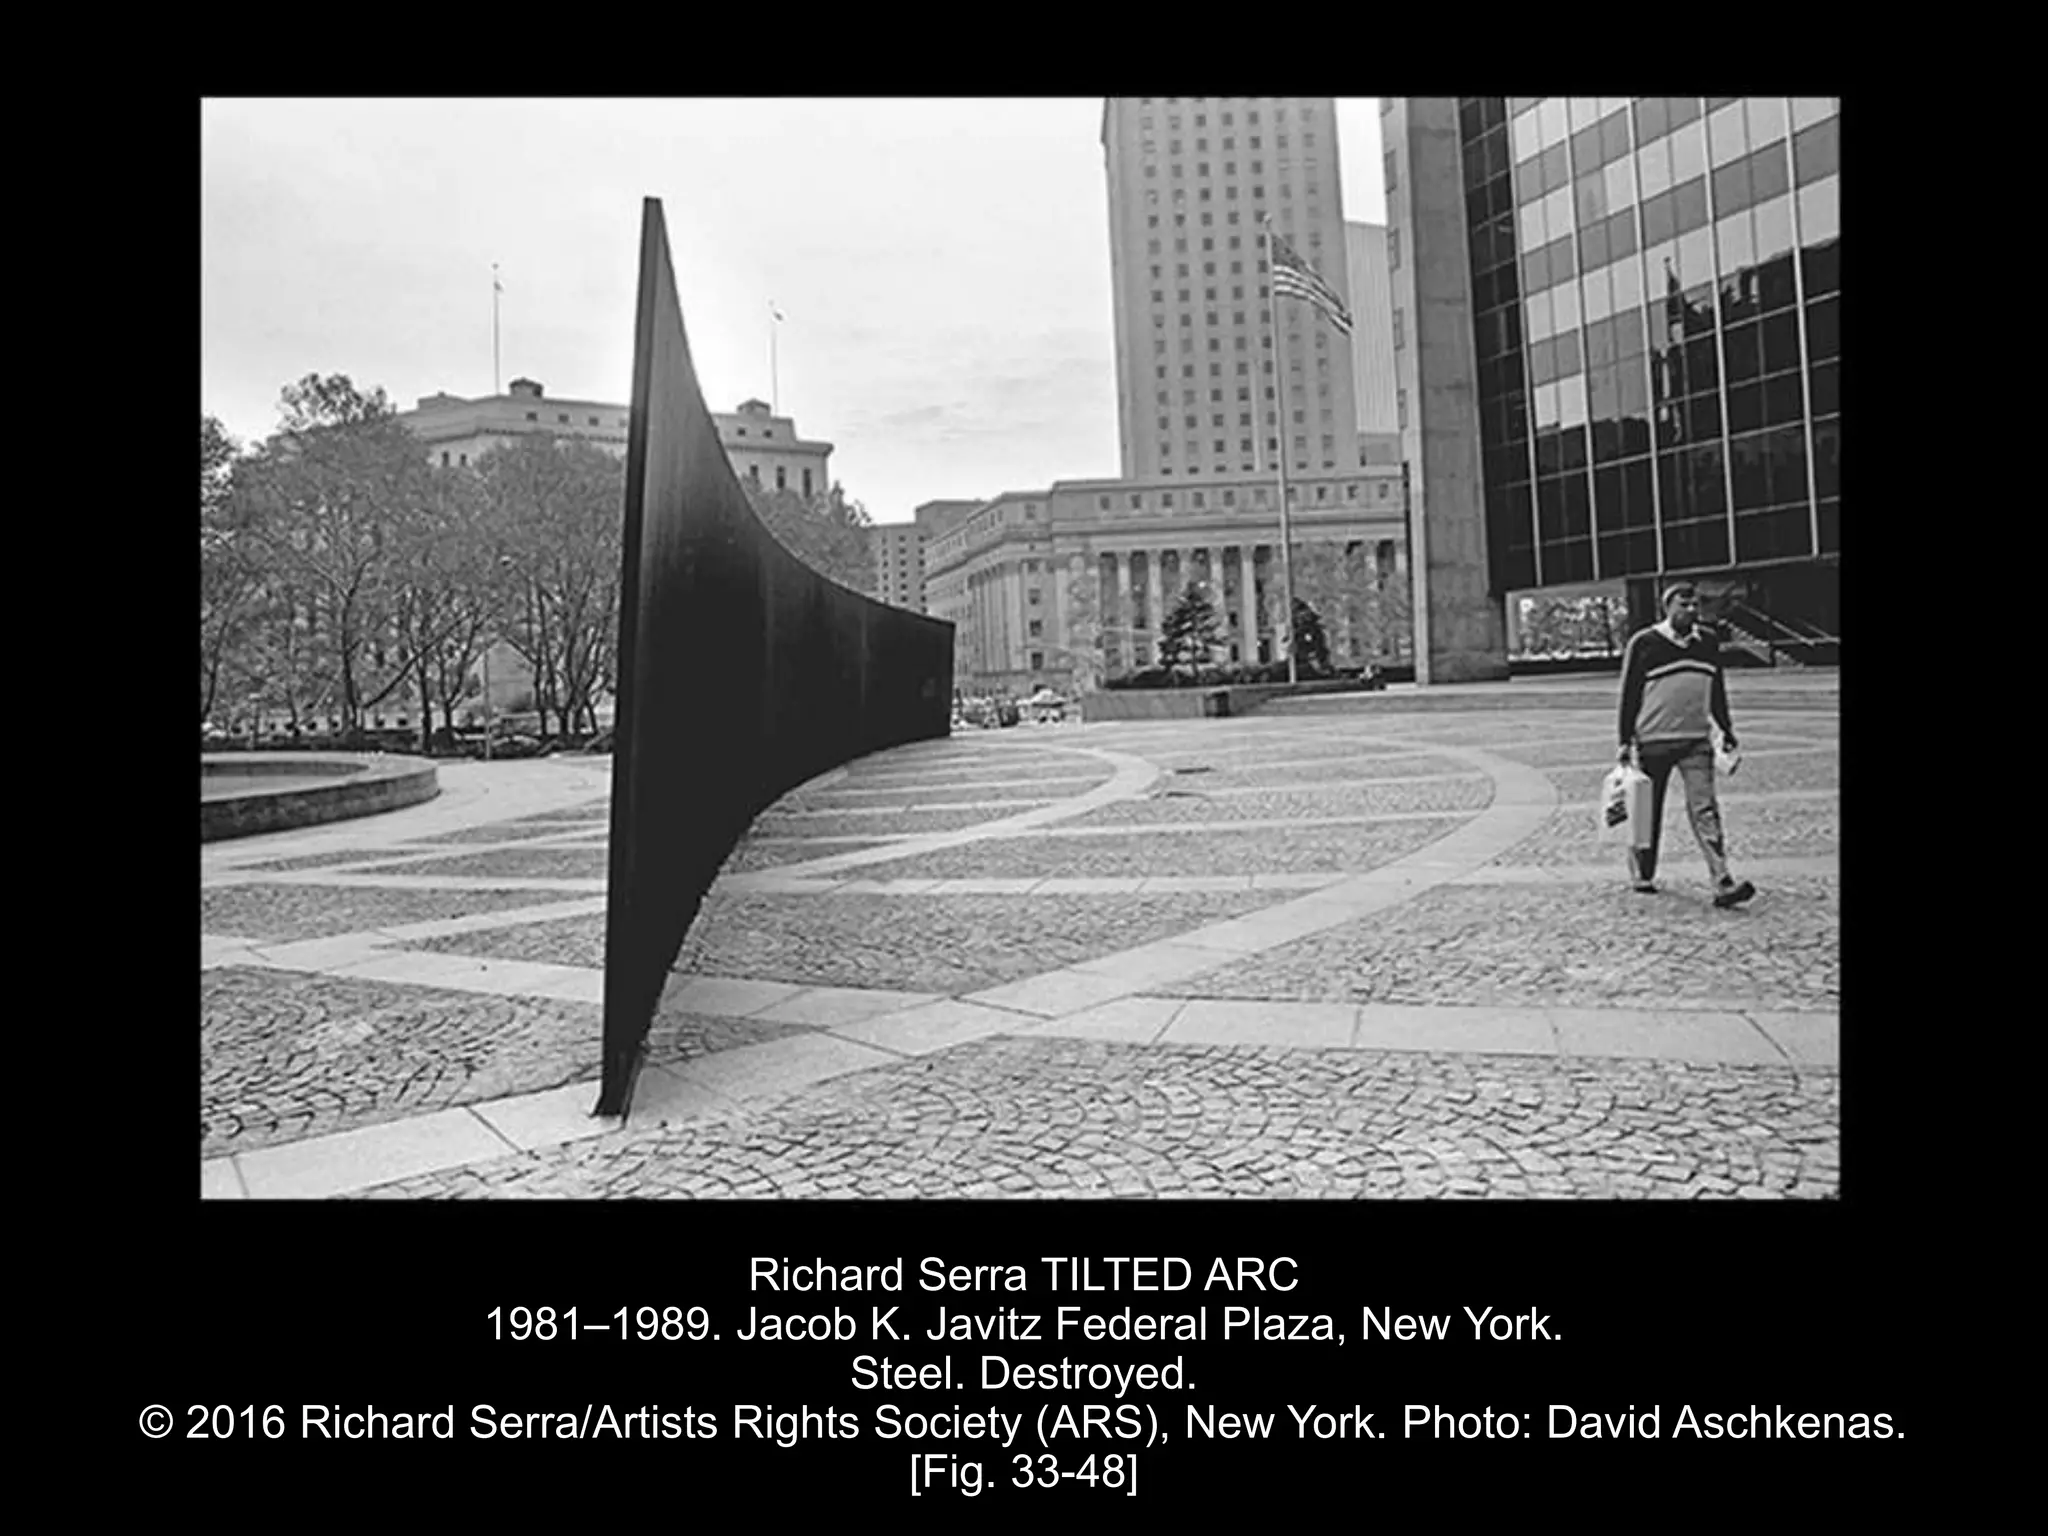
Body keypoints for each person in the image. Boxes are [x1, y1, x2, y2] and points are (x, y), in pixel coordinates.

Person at [1615, 581, 1757, 907]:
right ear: (1668, 607)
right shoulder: (1645, 643)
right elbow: (1629, 694)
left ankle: (1722, 881)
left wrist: (1726, 727)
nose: (1691, 610)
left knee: (1705, 810)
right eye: (1684, 604)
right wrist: (1624, 740)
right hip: (1653, 741)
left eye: (1695, 605)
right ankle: (1642, 872)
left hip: (1696, 741)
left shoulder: (1707, 642)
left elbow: (1716, 688)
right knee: (1647, 811)